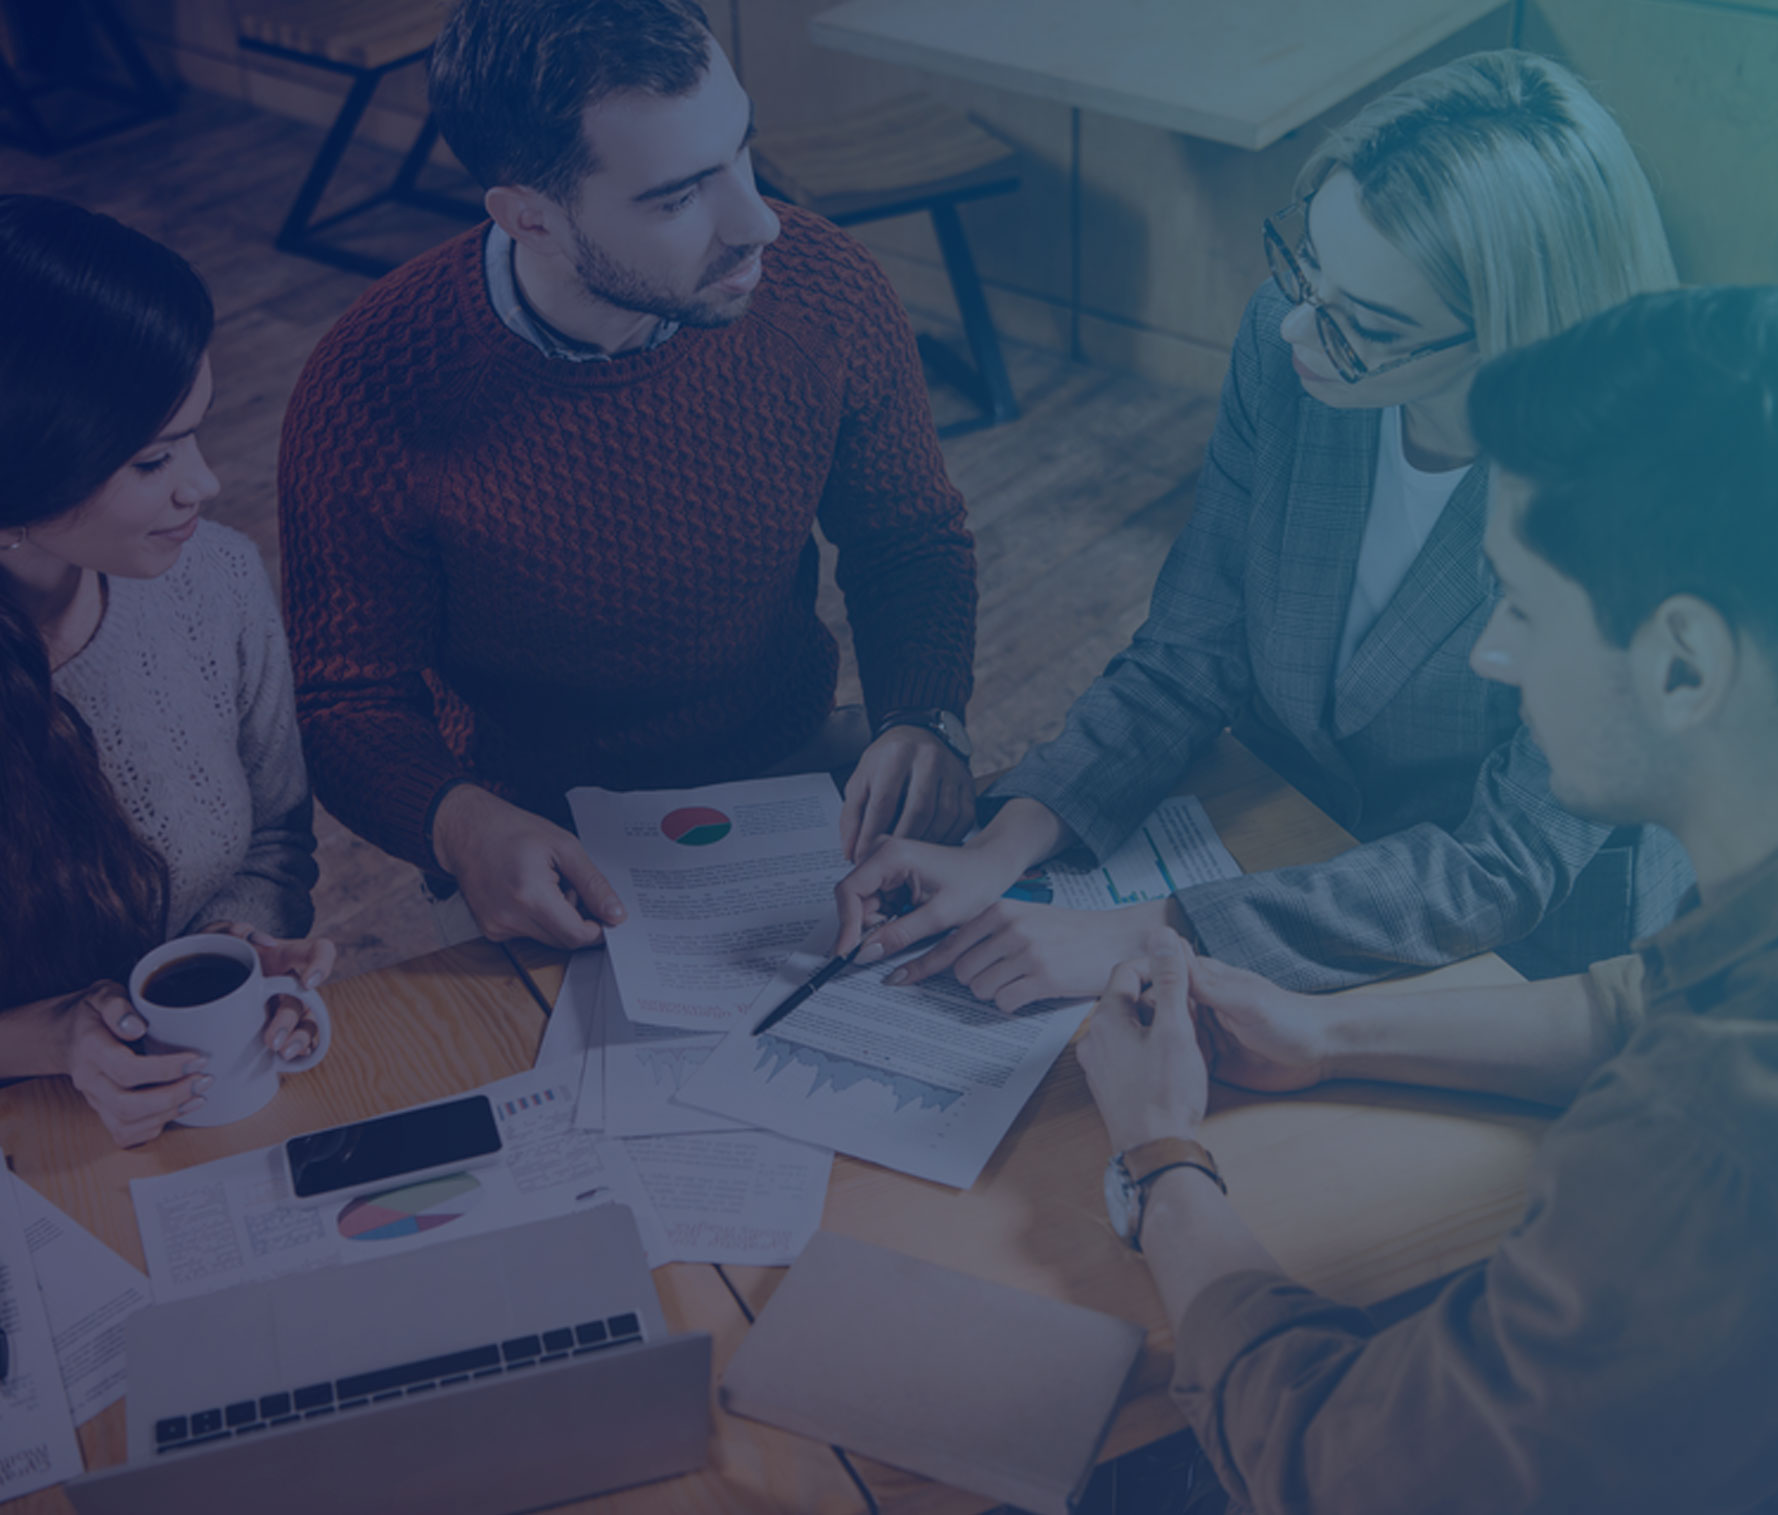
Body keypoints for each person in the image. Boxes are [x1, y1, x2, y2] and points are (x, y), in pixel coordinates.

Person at [1079, 285, 1778, 1513]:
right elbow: (1650, 994)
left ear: (1681, 662)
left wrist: (1162, 1161)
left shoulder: (1694, 1148)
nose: (1488, 655)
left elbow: (1334, 1469)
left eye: (1517, 602)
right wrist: (1331, 1032)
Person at [835, 51, 1692, 1004]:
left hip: (1515, 956)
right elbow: (1191, 646)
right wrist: (1007, 840)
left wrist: (1153, 934)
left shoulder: (1643, 493)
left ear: (1512, 341)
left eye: (1361, 320)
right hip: (1281, 832)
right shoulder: (1292, 338)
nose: (1296, 329)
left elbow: (1504, 862)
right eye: (1308, 264)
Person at [279, 0, 979, 952]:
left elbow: (909, 541)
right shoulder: (372, 382)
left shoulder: (827, 288)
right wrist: (460, 823)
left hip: (791, 765)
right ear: (529, 216)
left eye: (740, 151)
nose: (759, 222)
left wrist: (923, 713)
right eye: (678, 196)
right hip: (528, 825)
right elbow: (344, 697)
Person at [0, 195, 328, 1148]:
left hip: (213, 1108)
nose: (205, 483)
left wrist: (234, 962)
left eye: (195, 433)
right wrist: (53, 1038)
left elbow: (274, 837)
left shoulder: (213, 577)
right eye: (152, 459)